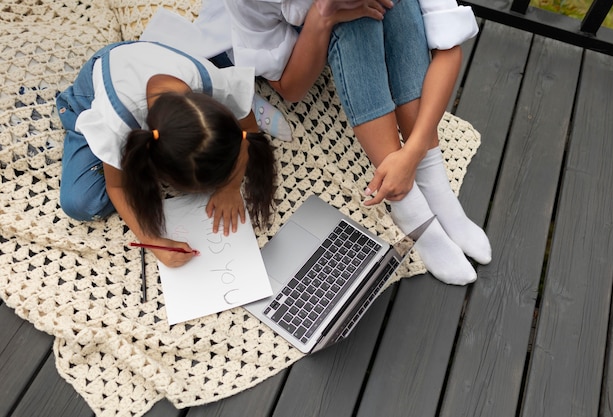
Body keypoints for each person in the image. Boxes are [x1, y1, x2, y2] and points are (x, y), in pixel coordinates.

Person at [224, 0, 491, 285]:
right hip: (305, 43)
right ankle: (405, 200)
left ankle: (432, 181)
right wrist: (323, 14)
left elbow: (448, 48)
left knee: (397, 6)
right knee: (355, 23)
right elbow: (289, 87)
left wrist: (413, 153)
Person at [56, 41, 277, 268]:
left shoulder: (215, 84)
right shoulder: (118, 124)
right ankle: (80, 123)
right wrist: (154, 241)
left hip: (144, 61)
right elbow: (117, 187)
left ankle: (243, 102)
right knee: (80, 202)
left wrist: (230, 187)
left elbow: (247, 132)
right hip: (97, 81)